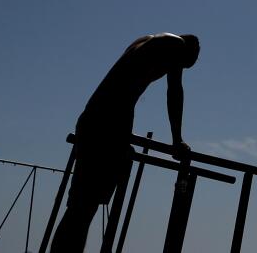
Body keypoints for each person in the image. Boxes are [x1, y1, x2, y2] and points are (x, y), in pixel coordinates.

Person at [51, 33, 200, 253]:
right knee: (82, 209)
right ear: (191, 49)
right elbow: (174, 91)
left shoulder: (149, 41)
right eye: (190, 62)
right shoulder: (174, 44)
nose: (184, 68)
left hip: (99, 121)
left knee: (81, 209)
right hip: (107, 125)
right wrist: (176, 140)